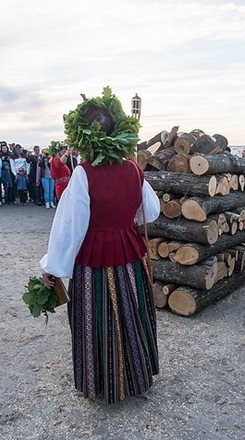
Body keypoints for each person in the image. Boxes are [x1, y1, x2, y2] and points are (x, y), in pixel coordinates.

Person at [40, 88, 160, 403]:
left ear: (82, 138)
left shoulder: (83, 174)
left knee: (98, 318)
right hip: (129, 251)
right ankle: (135, 377)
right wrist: (125, 217)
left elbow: (70, 227)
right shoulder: (133, 169)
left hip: (94, 257)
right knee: (132, 310)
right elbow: (153, 211)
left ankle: (103, 383)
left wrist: (53, 268)